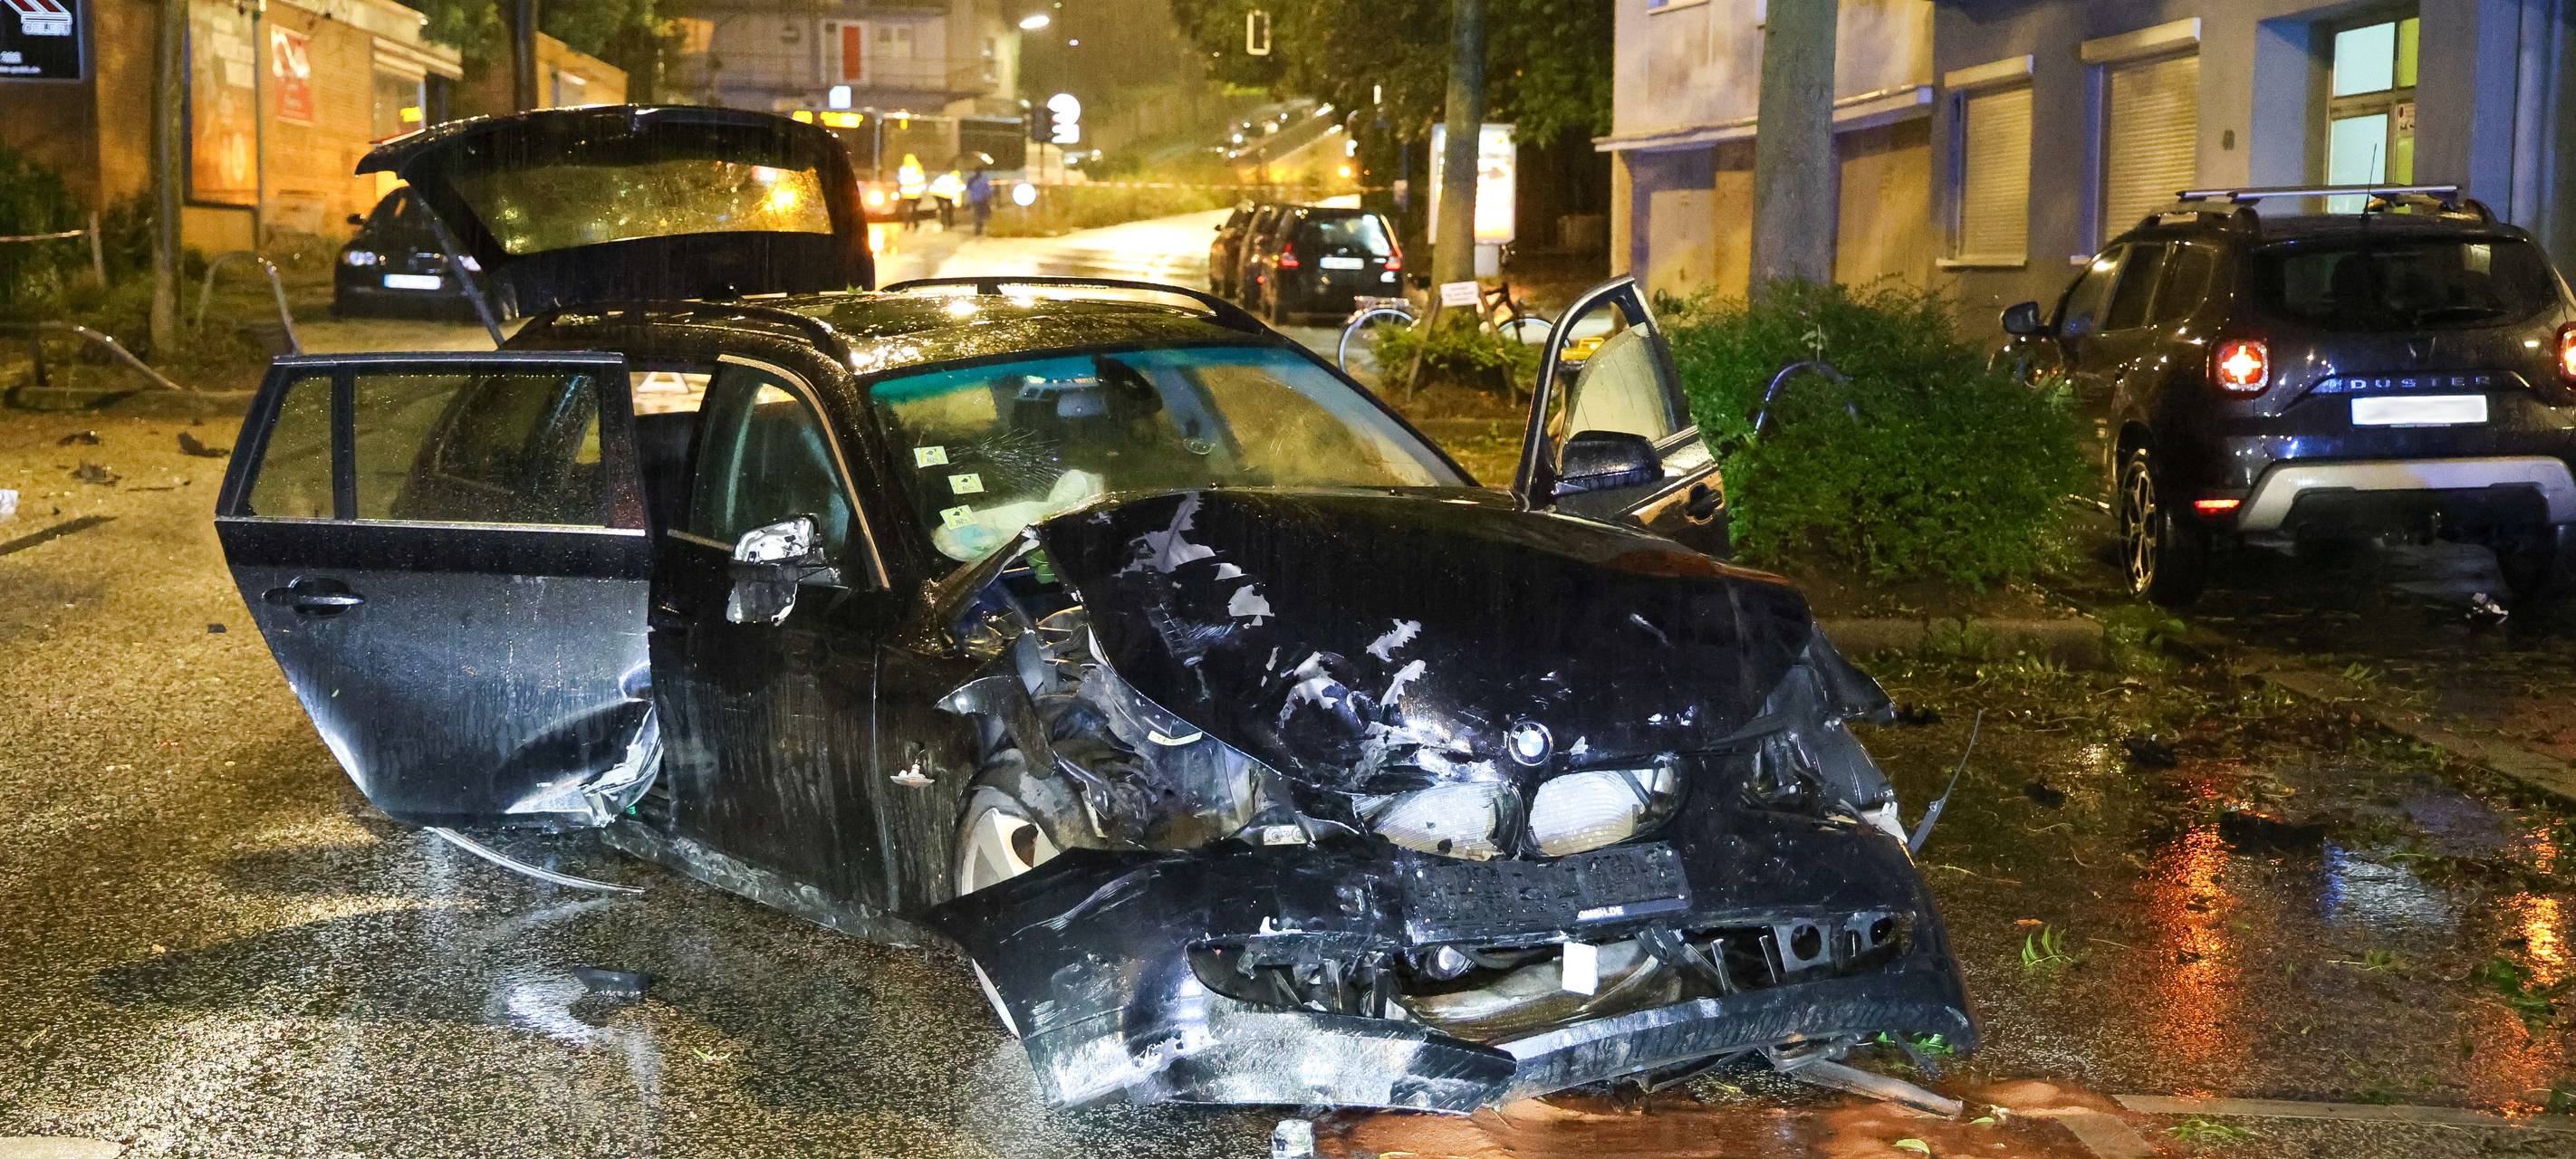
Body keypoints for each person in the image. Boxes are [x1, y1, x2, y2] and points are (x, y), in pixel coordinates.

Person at [966, 168, 995, 236]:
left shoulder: (971, 180)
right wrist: (988, 197)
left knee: (977, 214)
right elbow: (989, 190)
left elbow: (968, 189)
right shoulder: (984, 180)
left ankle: (978, 229)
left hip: (975, 199)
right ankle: (979, 228)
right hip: (983, 200)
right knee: (982, 214)